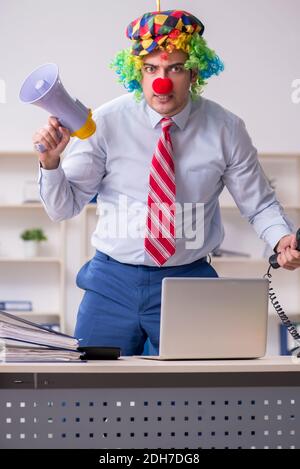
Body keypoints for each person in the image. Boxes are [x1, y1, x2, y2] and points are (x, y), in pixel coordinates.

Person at [34, 9, 300, 355]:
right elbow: (62, 208)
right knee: (91, 392)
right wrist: (50, 163)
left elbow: (260, 203)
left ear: (194, 72)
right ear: (137, 73)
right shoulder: (105, 122)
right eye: (151, 69)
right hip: (111, 282)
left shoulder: (226, 128)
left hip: (188, 280)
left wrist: (282, 239)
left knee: (195, 394)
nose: (162, 81)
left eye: (175, 68)